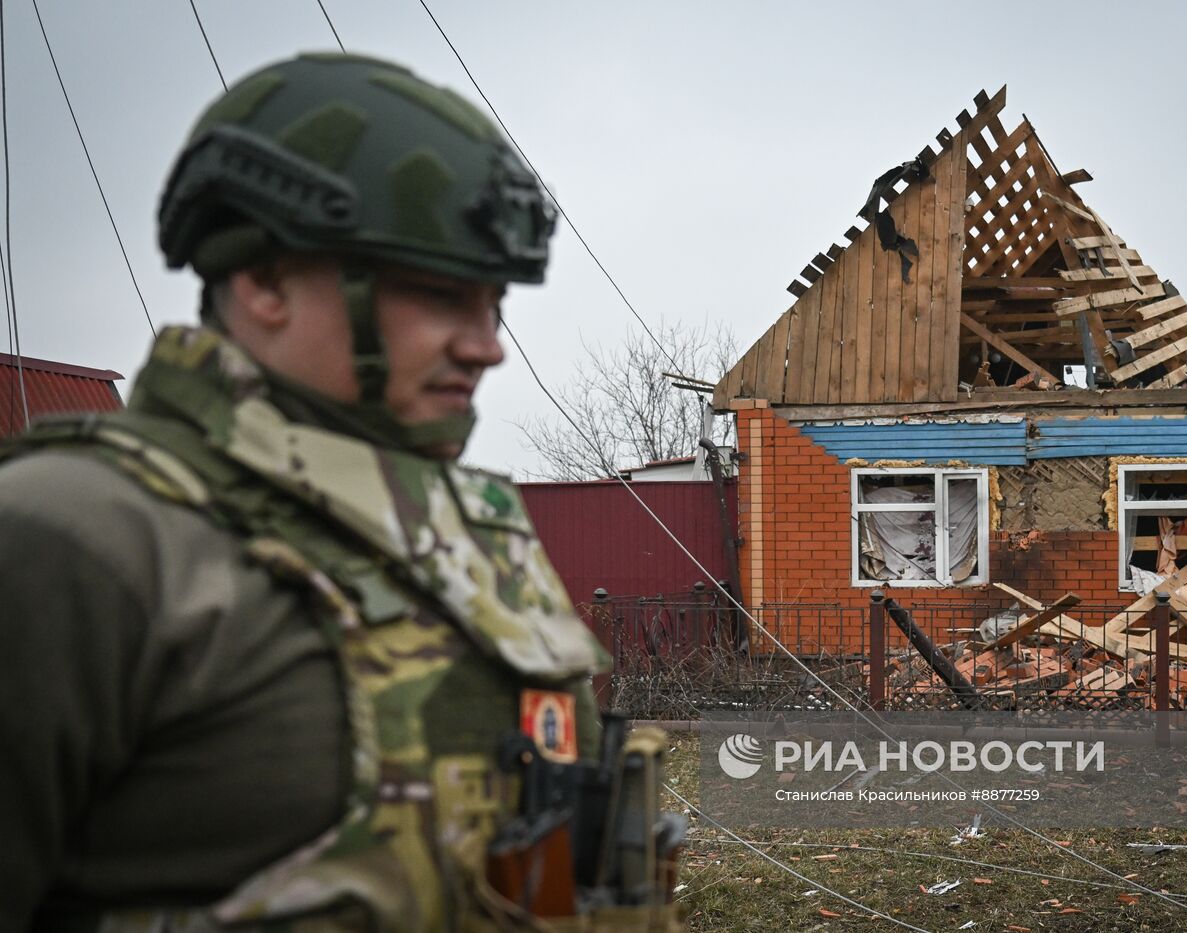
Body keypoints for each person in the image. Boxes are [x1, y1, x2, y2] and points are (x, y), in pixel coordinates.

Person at [0, 53, 682, 931]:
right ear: (265, 280)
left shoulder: (475, 529)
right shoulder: (73, 535)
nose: (487, 346)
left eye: (494, 304)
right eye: (440, 295)